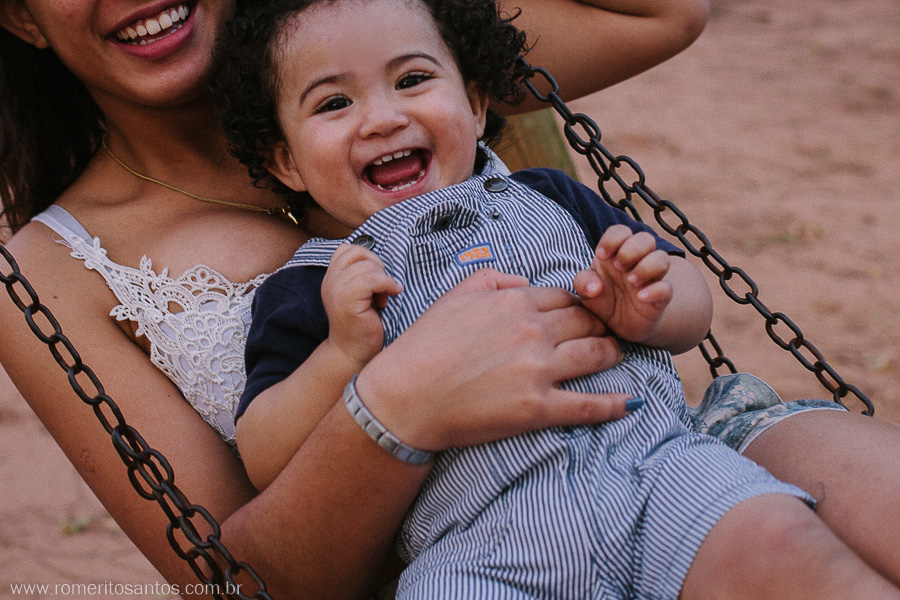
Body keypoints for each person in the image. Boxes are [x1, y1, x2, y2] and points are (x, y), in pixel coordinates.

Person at [1, 0, 899, 599]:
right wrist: (398, 402)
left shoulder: (378, 33)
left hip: (658, 455)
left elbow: (665, 12)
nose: (382, 116)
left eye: (414, 83)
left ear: (470, 98)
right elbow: (236, 580)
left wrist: (650, 298)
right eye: (332, 105)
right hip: (466, 554)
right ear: (19, 15)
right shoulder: (52, 269)